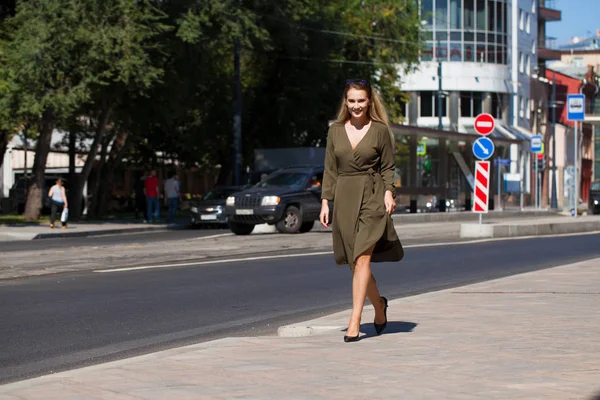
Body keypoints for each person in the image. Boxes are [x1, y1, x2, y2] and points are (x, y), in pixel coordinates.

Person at [319, 79, 404, 342]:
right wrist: (325, 201)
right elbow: (330, 169)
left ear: (369, 101)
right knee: (356, 264)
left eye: (361, 100)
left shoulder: (379, 130)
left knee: (363, 258)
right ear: (346, 102)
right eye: (352, 101)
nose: (356, 106)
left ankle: (355, 319)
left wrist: (389, 192)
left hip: (372, 195)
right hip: (344, 196)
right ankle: (379, 305)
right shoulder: (335, 131)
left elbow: (388, 166)